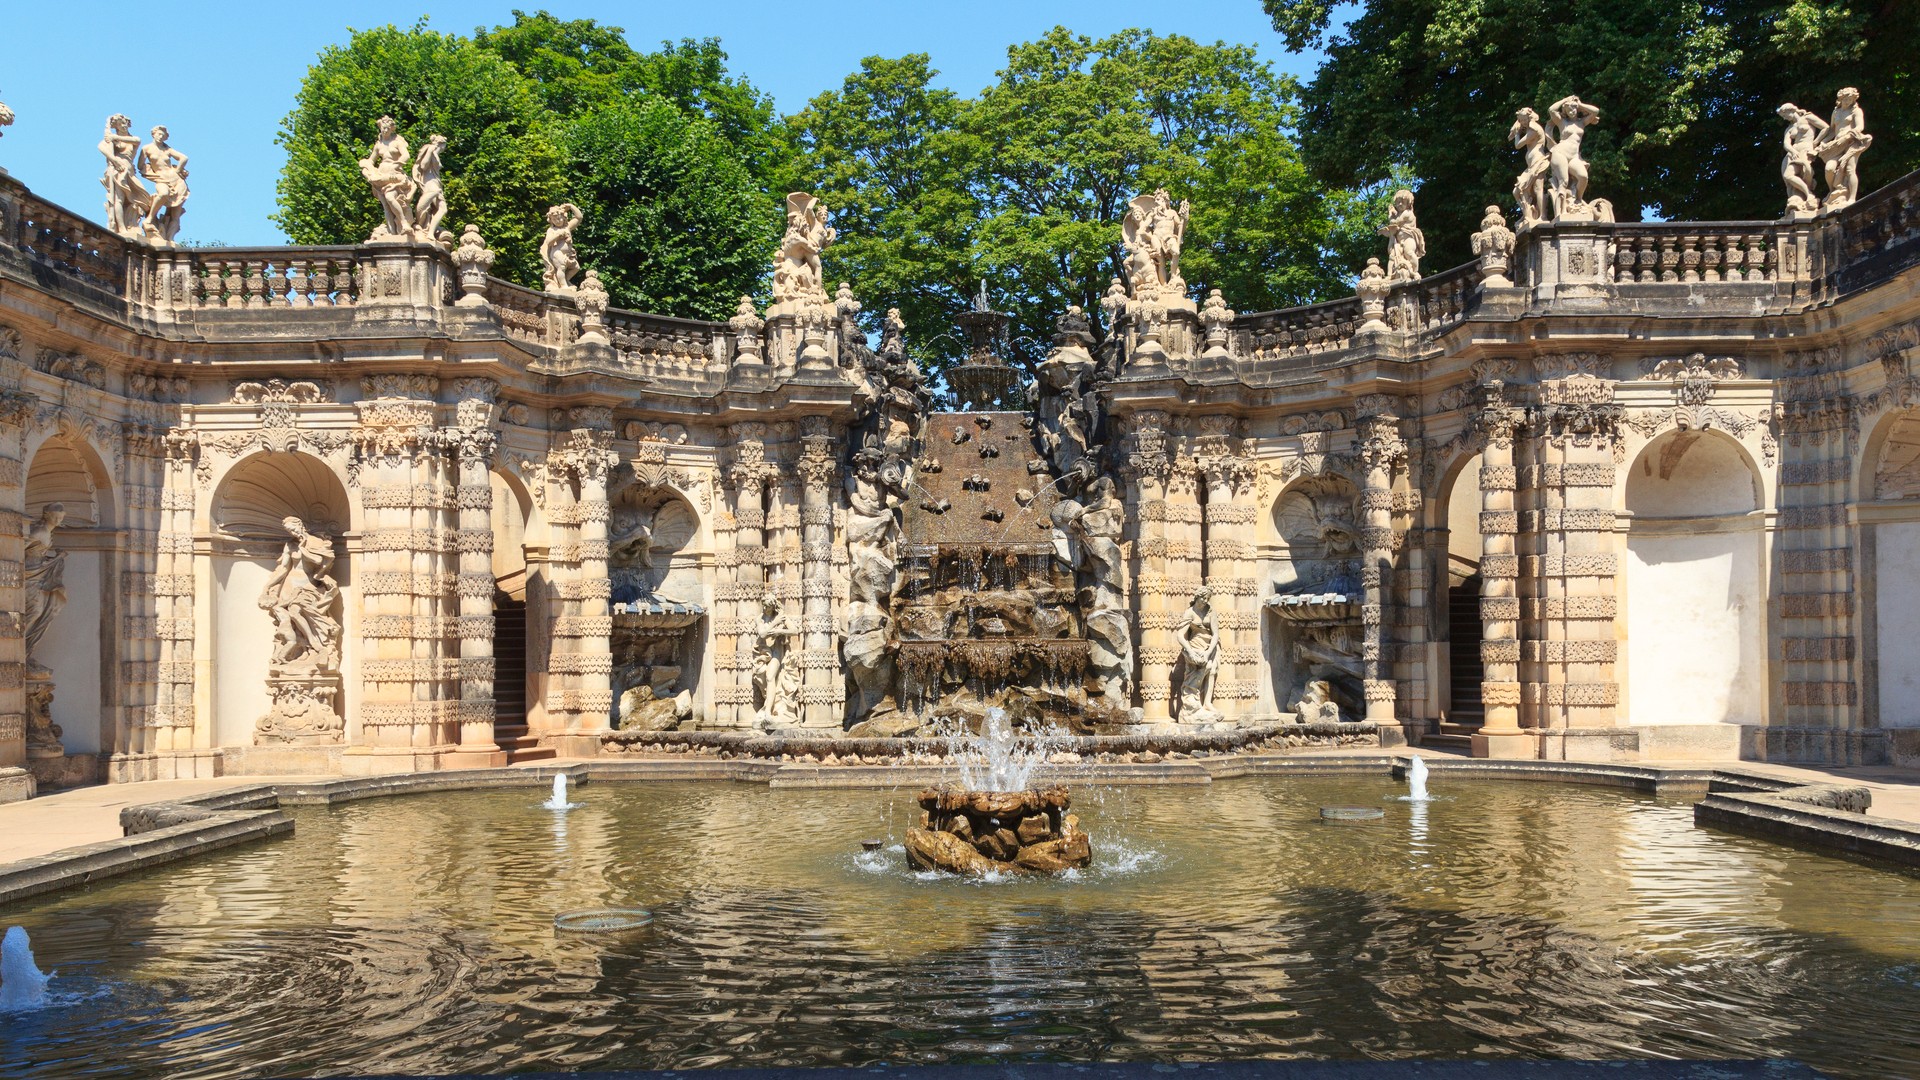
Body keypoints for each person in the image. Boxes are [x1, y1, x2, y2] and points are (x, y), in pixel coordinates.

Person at [22, 503, 68, 675]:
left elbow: (36, 552)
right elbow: (19, 549)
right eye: (56, 516)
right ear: (46, 514)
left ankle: (24, 650)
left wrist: (53, 559)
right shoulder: (39, 531)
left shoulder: (47, 531)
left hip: (38, 574)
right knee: (34, 611)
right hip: (30, 575)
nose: (58, 520)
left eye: (61, 517)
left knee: (38, 612)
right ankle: (20, 648)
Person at [359, 116, 416, 241]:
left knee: (390, 197)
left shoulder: (397, 142)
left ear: (391, 129)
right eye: (382, 128)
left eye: (387, 128)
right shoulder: (378, 145)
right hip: (381, 176)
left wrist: (398, 163)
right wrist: (365, 166)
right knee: (386, 205)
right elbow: (371, 160)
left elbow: (406, 155)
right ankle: (392, 233)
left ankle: (404, 224)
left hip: (395, 175)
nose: (384, 131)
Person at [1816, 87, 1873, 211]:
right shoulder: (1836, 112)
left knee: (1849, 169)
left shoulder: (1856, 111)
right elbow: (1831, 130)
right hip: (1837, 144)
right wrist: (1823, 142)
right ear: (1841, 99)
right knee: (1829, 168)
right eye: (1846, 99)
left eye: (1851, 99)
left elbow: (1860, 127)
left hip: (1851, 142)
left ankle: (1851, 199)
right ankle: (1834, 191)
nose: (1848, 102)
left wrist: (1848, 136)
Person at [99, 114, 150, 238]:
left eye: (125, 123)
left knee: (146, 200)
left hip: (129, 170)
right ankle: (121, 228)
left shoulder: (132, 139)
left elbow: (137, 140)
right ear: (116, 126)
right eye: (120, 124)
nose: (124, 125)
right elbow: (101, 147)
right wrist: (114, 160)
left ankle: (134, 223)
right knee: (118, 199)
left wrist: (113, 136)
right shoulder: (112, 140)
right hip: (118, 169)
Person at [1174, 586, 1221, 721]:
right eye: (1203, 598)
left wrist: (1208, 652)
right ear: (1196, 597)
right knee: (1200, 670)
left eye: (1207, 599)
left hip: (1209, 647)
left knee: (1211, 670)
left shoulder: (1211, 612)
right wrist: (1190, 651)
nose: (1205, 601)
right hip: (1194, 647)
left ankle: (1207, 703)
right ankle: (1191, 707)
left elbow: (1216, 634)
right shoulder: (1189, 612)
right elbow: (1180, 636)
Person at [137, 125, 189, 244]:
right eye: (159, 134)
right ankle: (149, 219)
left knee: (176, 211)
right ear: (153, 134)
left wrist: (178, 170)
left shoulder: (167, 149)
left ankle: (170, 238)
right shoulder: (147, 148)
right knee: (163, 193)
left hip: (176, 179)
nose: (161, 137)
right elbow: (141, 166)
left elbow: (184, 158)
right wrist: (151, 173)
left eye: (163, 135)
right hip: (161, 178)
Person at [411, 133, 449, 240]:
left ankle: (429, 231)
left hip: (436, 182)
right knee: (440, 208)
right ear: (442, 144)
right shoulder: (430, 149)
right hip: (429, 183)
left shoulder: (435, 153)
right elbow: (423, 165)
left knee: (442, 209)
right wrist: (430, 151)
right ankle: (423, 228)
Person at [540, 203, 583, 293]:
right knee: (561, 268)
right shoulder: (552, 230)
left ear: (564, 217)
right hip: (557, 252)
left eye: (559, 218)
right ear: (551, 221)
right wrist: (558, 234)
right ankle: (563, 286)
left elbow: (579, 217)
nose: (558, 221)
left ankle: (564, 281)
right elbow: (549, 242)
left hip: (569, 254)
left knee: (576, 268)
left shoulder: (567, 227)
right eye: (554, 219)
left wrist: (571, 206)